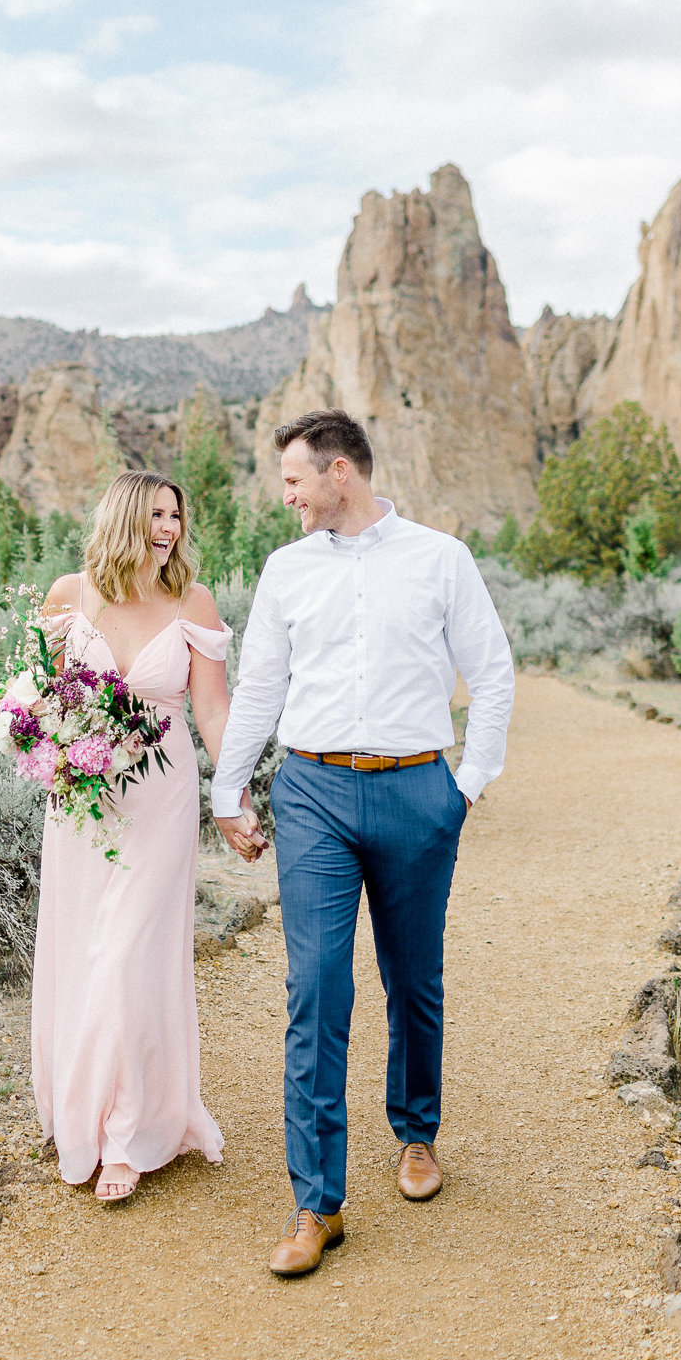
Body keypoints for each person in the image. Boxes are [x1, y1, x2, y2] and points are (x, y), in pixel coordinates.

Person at [210, 409, 515, 1275]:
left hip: (418, 787)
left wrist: (463, 787)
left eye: (294, 481)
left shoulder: (438, 558)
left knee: (412, 976)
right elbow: (261, 684)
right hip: (312, 792)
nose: (287, 498)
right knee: (314, 986)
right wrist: (226, 787)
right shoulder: (286, 570)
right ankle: (315, 1203)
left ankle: (417, 1136)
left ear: (340, 471)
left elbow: (491, 674)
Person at [32, 469, 258, 1203]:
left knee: (127, 953)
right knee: (85, 949)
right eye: (157, 514)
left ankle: (127, 1134)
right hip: (82, 803)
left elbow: (212, 711)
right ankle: (80, 1110)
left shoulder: (192, 602)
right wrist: (43, 743)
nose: (169, 527)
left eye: (177, 516)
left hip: (159, 801)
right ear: (126, 519)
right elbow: (37, 694)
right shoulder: (70, 594)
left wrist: (235, 792)